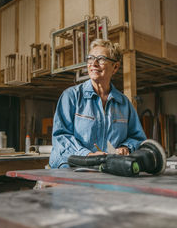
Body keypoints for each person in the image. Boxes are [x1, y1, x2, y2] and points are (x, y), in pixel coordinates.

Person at [49, 39, 146, 168]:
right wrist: (87, 155)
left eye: (101, 59)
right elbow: (61, 136)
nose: (93, 63)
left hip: (106, 168)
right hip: (72, 167)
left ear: (115, 67)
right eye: (90, 58)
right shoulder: (71, 96)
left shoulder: (123, 103)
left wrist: (126, 147)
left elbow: (137, 137)